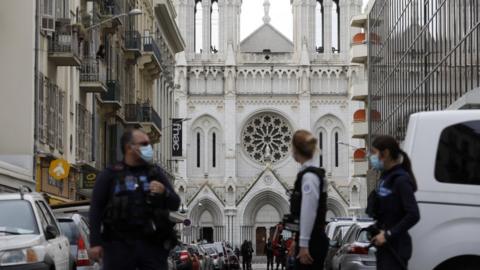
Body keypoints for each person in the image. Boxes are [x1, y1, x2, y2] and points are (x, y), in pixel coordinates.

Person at [89, 128, 181, 270]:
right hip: (119, 246)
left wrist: (165, 192)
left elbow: (175, 203)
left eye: (149, 144)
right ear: (129, 147)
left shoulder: (155, 173)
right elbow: (96, 208)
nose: (148, 147)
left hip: (151, 246)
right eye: (143, 144)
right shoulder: (110, 175)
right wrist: (95, 243)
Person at [366, 135, 420, 270]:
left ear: (385, 154)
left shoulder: (400, 180)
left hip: (396, 248)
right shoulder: (385, 177)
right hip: (385, 247)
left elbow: (413, 214)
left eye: (373, 152)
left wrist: (388, 234)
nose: (370, 157)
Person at [289, 130, 329, 270]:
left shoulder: (309, 177)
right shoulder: (311, 173)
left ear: (296, 149)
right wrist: (297, 240)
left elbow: (308, 211)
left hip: (313, 240)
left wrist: (304, 244)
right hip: (312, 238)